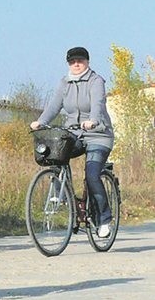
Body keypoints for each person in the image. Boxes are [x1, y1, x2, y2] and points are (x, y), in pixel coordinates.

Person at [30, 46, 115, 238]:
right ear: (68, 63)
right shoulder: (64, 82)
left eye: (80, 61)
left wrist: (93, 120)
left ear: (87, 62)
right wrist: (41, 122)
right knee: (55, 154)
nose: (76, 64)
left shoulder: (96, 81)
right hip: (74, 133)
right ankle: (63, 193)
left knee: (92, 174)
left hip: (99, 135)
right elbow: (54, 106)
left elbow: (98, 104)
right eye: (72, 61)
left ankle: (104, 220)